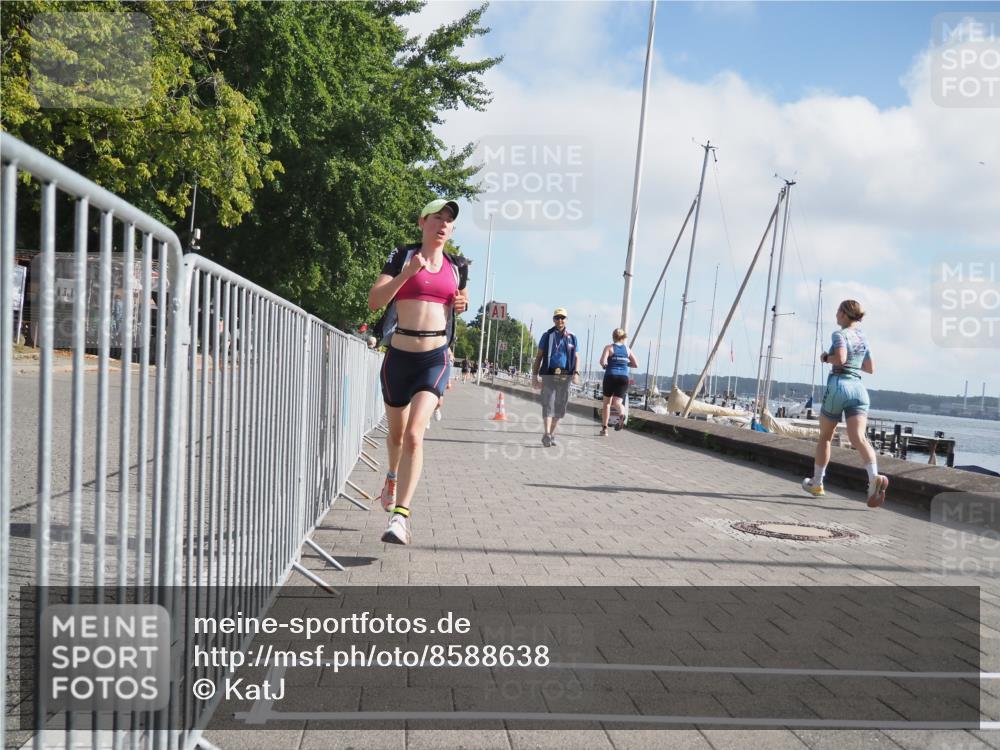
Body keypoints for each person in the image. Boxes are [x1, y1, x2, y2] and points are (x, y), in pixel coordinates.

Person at [367, 198, 469, 544]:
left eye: (449, 221)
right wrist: (407, 275)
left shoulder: (457, 265)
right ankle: (392, 477)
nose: (443, 225)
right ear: (422, 222)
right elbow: (375, 301)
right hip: (398, 357)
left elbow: (460, 299)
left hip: (434, 358)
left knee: (414, 435)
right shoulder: (401, 256)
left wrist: (462, 303)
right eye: (437, 218)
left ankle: (400, 517)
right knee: (395, 436)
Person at [801, 300, 888, 508]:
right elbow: (869, 367)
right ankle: (874, 477)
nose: (836, 314)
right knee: (859, 437)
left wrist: (825, 357)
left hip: (839, 385)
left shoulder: (839, 335)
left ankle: (817, 483)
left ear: (845, 314)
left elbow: (839, 358)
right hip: (858, 388)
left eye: (838, 310)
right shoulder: (863, 338)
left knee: (825, 437)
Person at [531, 308, 580, 447]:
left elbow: (577, 357)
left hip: (565, 374)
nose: (560, 320)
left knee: (560, 406)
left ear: (566, 319)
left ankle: (551, 433)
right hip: (549, 373)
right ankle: (546, 434)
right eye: (557, 317)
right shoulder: (547, 336)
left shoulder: (572, 337)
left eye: (562, 318)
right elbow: (539, 356)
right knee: (548, 403)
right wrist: (534, 377)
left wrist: (576, 373)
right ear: (553, 319)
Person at [598, 328, 638, 436]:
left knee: (607, 404)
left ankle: (604, 429)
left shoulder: (609, 348)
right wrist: (625, 364)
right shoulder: (627, 349)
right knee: (617, 403)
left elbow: (602, 361)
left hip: (611, 375)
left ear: (613, 336)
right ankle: (621, 414)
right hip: (623, 378)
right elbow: (635, 364)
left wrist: (605, 365)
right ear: (624, 337)